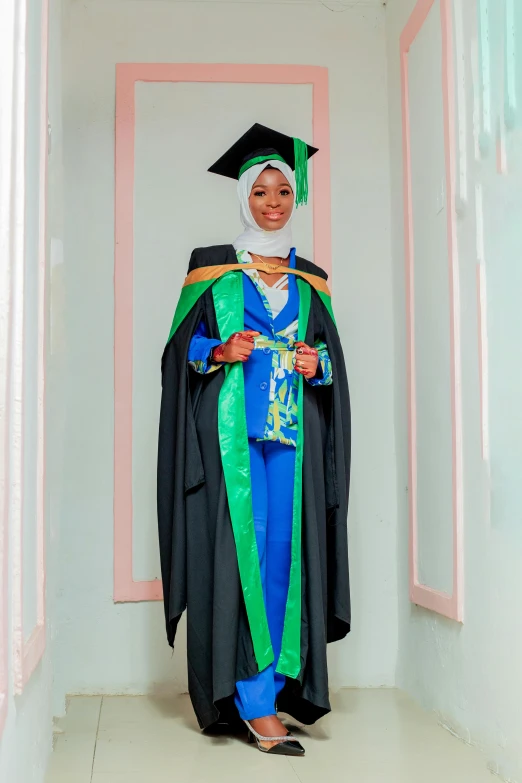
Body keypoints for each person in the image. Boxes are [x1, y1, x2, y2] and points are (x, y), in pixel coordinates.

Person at [157, 123, 351, 756]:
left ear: (294, 199)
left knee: (283, 563)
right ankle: (249, 699)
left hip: (293, 442)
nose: (272, 202)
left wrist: (313, 364)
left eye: (282, 192)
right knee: (238, 560)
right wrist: (218, 348)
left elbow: (332, 362)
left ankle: (271, 693)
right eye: (261, 191)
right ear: (243, 197)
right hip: (231, 445)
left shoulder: (310, 280)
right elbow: (177, 353)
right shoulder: (211, 271)